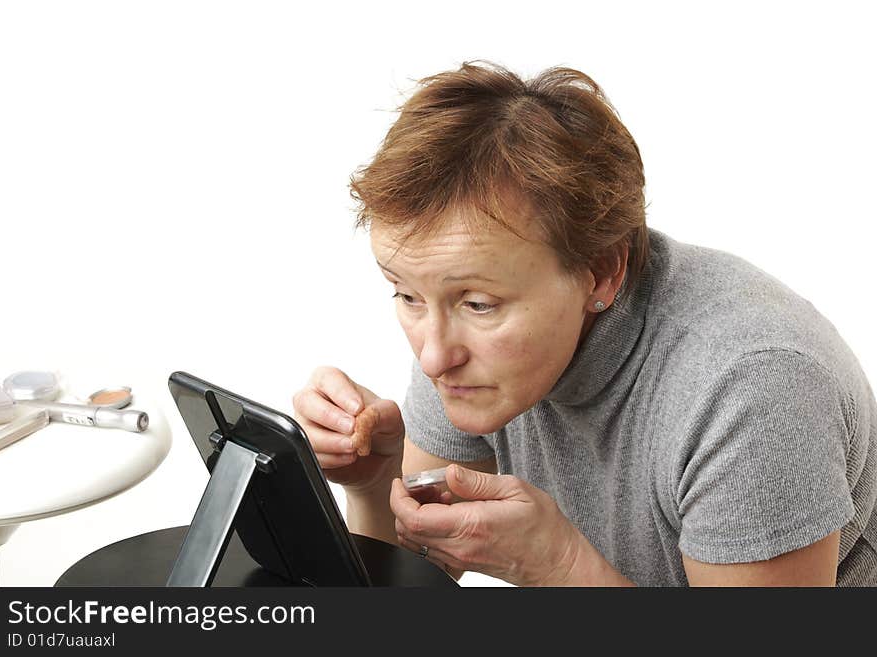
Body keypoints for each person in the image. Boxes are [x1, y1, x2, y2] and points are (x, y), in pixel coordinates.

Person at [291, 61, 877, 586]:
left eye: (479, 305)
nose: (433, 358)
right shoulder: (462, 335)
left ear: (599, 274)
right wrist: (372, 486)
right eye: (406, 295)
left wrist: (560, 569)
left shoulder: (749, 387)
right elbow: (422, 576)